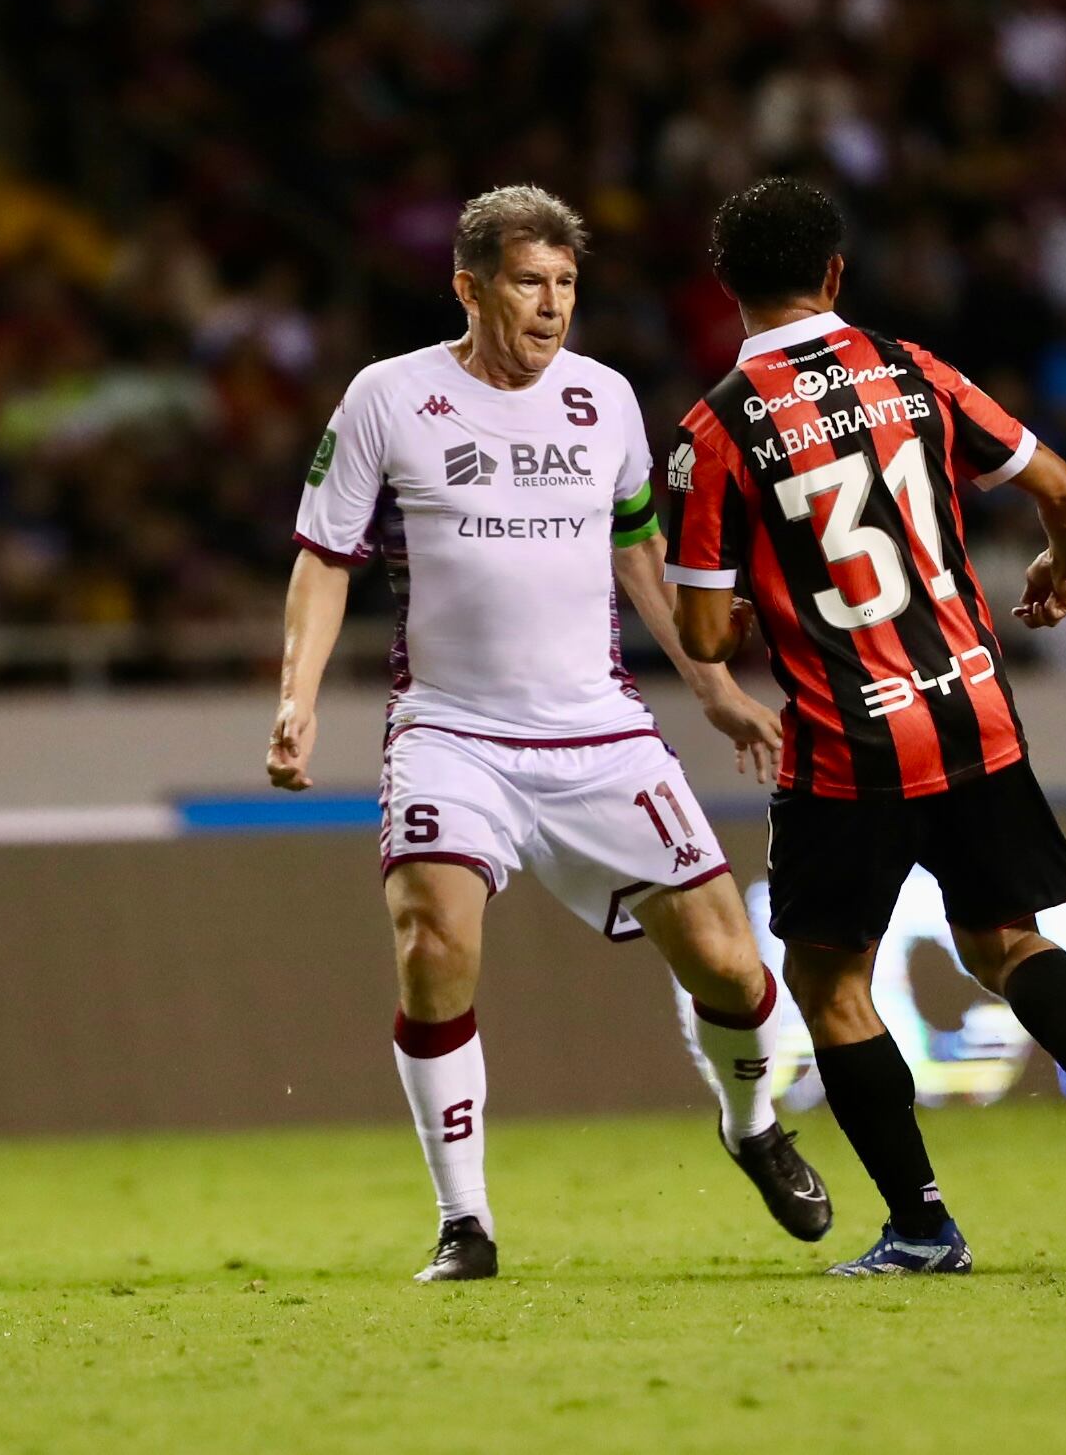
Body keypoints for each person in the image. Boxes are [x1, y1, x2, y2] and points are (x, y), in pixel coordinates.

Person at [265, 185, 831, 1282]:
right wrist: (298, 697)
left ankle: (753, 1122)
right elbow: (321, 559)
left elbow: (637, 554)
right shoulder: (388, 398)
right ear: (470, 287)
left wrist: (710, 686)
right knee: (431, 940)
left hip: (598, 733)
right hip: (451, 730)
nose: (552, 305)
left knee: (726, 963)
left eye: (567, 284)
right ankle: (463, 1222)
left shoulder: (606, 401)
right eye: (530, 282)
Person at [664, 177, 1066, 1275]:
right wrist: (1064, 567)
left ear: (727, 290)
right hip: (973, 713)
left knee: (830, 985)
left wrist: (757, 599)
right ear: (836, 275)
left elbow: (703, 634)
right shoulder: (911, 370)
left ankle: (921, 1225)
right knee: (1007, 939)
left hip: (846, 744)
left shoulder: (713, 432)